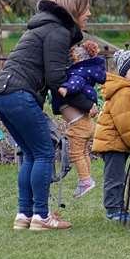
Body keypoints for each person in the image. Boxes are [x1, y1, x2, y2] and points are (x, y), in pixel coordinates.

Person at [0, 0, 90, 231]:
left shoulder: (45, 27)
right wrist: (87, 104)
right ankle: (42, 217)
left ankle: (24, 215)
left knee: (31, 153)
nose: (89, 14)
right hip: (18, 94)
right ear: (75, 8)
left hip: (1, 94)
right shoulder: (57, 31)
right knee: (44, 152)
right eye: (86, 9)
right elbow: (57, 79)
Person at [92, 49, 130, 222]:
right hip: (112, 142)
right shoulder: (124, 92)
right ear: (124, 72)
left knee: (118, 176)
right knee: (114, 177)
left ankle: (118, 207)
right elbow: (124, 125)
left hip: (119, 141)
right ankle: (113, 210)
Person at [51, 40, 107, 198]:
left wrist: (64, 89)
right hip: (85, 123)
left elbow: (75, 85)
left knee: (76, 153)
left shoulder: (77, 75)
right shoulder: (82, 74)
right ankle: (87, 178)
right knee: (83, 152)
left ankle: (85, 180)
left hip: (78, 125)